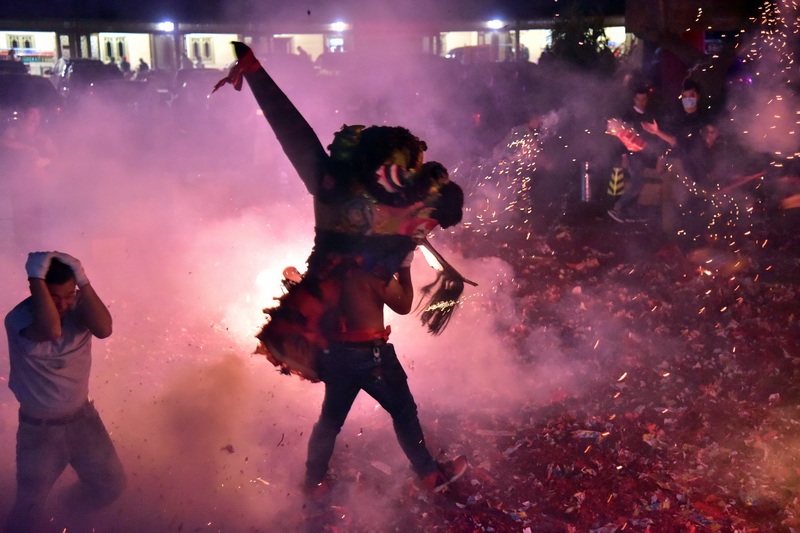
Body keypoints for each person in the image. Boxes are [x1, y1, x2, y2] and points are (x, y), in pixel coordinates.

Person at [214, 42, 468, 497]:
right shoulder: (375, 207)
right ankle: (426, 474)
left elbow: (298, 137)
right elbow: (296, 134)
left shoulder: (348, 197)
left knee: (336, 421)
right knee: (397, 413)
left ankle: (316, 483)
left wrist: (255, 74)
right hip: (359, 346)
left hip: (341, 345)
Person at [4, 252, 126, 533]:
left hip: (83, 419)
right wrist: (35, 275)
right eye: (54, 296)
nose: (63, 304)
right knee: (28, 511)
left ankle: (65, 517)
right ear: (37, 291)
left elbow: (105, 329)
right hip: (40, 431)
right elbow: (51, 330)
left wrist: (82, 281)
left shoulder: (78, 306)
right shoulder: (19, 318)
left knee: (111, 486)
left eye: (69, 295)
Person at [607, 85, 671, 222]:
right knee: (637, 182)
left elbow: (656, 138)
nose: (641, 103)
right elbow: (621, 137)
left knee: (639, 182)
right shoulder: (628, 116)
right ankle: (616, 208)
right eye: (638, 99)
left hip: (645, 155)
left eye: (644, 100)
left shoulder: (649, 115)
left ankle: (630, 213)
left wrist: (660, 157)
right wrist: (624, 156)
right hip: (633, 155)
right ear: (634, 99)